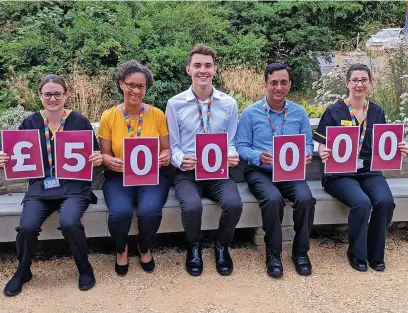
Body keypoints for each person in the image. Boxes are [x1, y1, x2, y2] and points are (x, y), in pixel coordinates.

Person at [0, 74, 103, 296]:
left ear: (66, 95)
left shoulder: (79, 121)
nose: (53, 98)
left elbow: (95, 154)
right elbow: (15, 156)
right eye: (48, 94)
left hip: (74, 187)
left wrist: (97, 158)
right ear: (40, 95)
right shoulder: (30, 122)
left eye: (58, 94)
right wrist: (4, 159)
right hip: (40, 188)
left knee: (69, 222)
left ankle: (84, 268)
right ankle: (23, 271)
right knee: (26, 227)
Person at [313, 63, 408, 272]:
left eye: (364, 80)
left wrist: (398, 148)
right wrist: (322, 151)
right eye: (355, 80)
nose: (359, 84)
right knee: (362, 203)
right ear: (347, 83)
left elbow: (383, 144)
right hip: (339, 174)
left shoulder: (377, 111)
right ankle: (356, 253)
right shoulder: (334, 111)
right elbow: (321, 141)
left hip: (368, 171)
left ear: (370, 84)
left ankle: (375, 254)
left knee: (385, 202)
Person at [166, 44, 243, 276]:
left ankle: (222, 246)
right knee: (191, 207)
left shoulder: (228, 103)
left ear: (215, 69)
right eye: (197, 65)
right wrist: (180, 160)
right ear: (188, 69)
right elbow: (172, 145)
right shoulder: (175, 103)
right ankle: (194, 247)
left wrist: (232, 154)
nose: (203, 70)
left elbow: (231, 140)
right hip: (188, 173)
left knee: (234, 204)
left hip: (218, 172)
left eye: (208, 65)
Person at [236, 63, 315, 278]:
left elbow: (308, 143)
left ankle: (300, 253)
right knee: (272, 200)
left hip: (290, 172)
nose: (278, 87)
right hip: (259, 171)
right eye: (273, 83)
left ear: (290, 85)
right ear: (265, 85)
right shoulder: (251, 113)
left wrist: (308, 154)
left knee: (306, 199)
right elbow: (241, 146)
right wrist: (257, 156)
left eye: (283, 82)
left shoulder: (299, 112)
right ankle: (273, 254)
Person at [98, 60, 171, 276]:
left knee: (150, 211)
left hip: (151, 177)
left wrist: (164, 157)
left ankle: (144, 246)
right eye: (131, 85)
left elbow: (166, 149)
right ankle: (121, 249)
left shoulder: (157, 114)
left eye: (141, 86)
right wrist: (108, 160)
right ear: (121, 84)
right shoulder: (108, 116)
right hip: (119, 177)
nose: (136, 90)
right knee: (119, 213)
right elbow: (104, 154)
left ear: (146, 88)